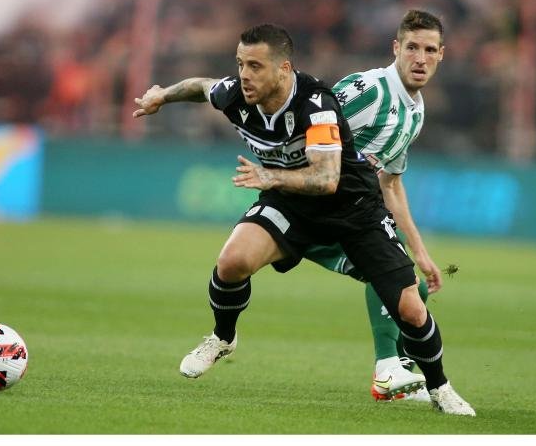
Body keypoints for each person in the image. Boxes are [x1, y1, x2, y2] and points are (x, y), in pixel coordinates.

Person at [133, 23, 475, 416]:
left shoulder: (316, 105)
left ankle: (439, 387)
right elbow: (201, 86)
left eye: (255, 66)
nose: (244, 75)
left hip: (353, 209)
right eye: (241, 64)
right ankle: (222, 338)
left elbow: (327, 180)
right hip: (292, 204)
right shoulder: (236, 94)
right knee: (232, 261)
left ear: (283, 69)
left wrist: (269, 176)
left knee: (412, 307)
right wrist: (162, 95)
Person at [304, 9, 446, 403]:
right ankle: (388, 369)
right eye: (412, 47)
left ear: (441, 55)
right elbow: (309, 124)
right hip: (314, 208)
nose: (420, 58)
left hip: (352, 211)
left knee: (414, 285)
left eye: (429, 50)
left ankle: (397, 374)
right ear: (396, 48)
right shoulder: (370, 90)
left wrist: (421, 252)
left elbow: (391, 183)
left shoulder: (416, 111)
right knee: (387, 272)